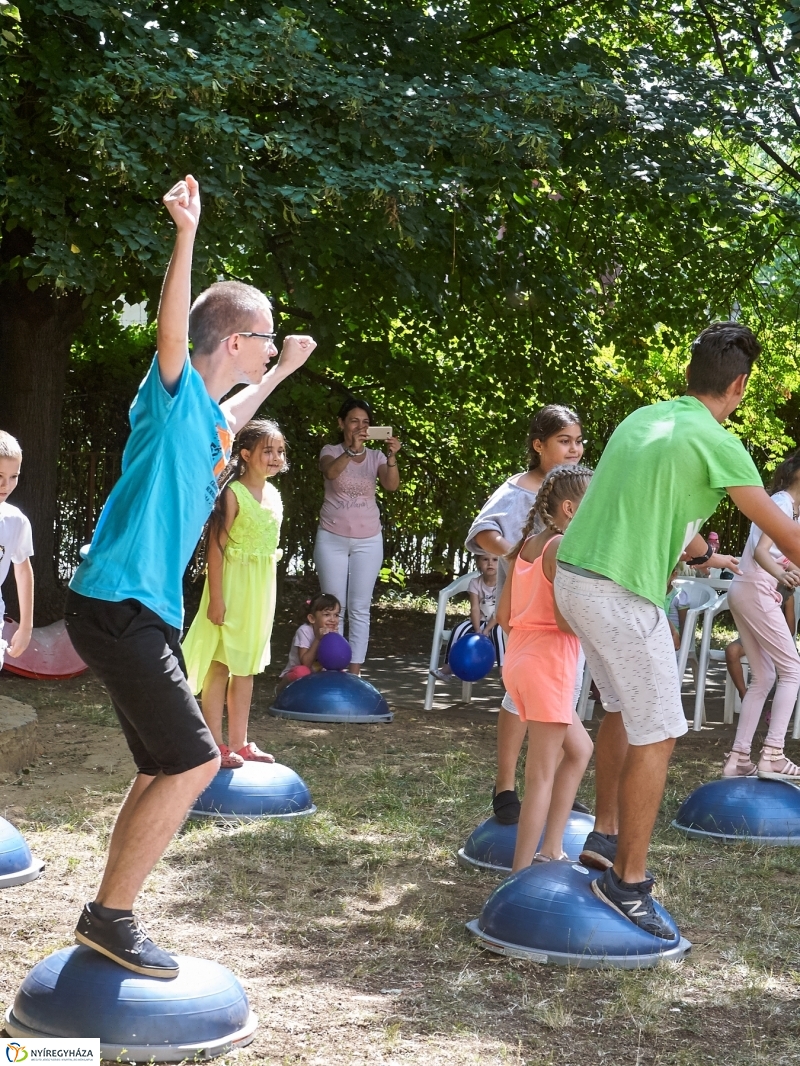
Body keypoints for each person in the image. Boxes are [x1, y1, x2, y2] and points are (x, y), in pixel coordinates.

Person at [64, 175, 316, 977]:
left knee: (162, 763)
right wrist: (185, 235)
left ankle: (105, 914)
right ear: (232, 339)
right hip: (119, 603)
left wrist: (280, 377)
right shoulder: (170, 395)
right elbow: (175, 336)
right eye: (266, 338)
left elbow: (234, 416)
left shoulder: (207, 419)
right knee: (197, 759)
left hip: (132, 610)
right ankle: (111, 916)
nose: (273, 344)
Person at [554, 321, 800, 939]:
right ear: (738, 385)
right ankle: (628, 882)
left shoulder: (646, 420)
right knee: (661, 731)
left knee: (622, 709)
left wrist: (691, 550)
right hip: (618, 594)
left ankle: (606, 838)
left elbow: (654, 507)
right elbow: (786, 533)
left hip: (576, 578)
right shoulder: (718, 442)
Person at [463, 405, 585, 824]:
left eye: (578, 441)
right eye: (564, 441)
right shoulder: (517, 489)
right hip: (528, 617)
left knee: (562, 697)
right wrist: (516, 555)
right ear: (539, 445)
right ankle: (506, 786)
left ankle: (550, 786)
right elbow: (482, 531)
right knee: (521, 699)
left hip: (564, 619)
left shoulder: (580, 490)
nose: (574, 449)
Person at [497, 466, 595, 872]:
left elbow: (503, 615)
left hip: (520, 662)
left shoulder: (526, 546)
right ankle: (519, 875)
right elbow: (563, 620)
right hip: (548, 667)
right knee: (539, 776)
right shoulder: (560, 548)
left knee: (580, 750)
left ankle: (552, 848)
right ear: (571, 509)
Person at [182, 419, 287, 769]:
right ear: (245, 454)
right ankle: (215, 743)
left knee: (247, 667)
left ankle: (240, 743)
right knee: (221, 665)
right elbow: (215, 548)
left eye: (279, 451)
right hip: (231, 588)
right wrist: (216, 598)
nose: (275, 457)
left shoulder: (273, 495)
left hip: (260, 590)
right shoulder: (232, 494)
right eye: (266, 451)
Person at [723, 452, 800, 780]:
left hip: (746, 589)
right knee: (792, 669)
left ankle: (739, 757)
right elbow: (761, 551)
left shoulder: (794, 513)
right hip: (755, 588)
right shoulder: (781, 503)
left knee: (765, 676)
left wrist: (789, 570)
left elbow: (784, 558)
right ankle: (772, 754)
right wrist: (781, 576)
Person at [313, 398, 401, 674]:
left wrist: (392, 456)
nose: (360, 427)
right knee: (331, 607)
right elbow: (330, 472)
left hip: (368, 539)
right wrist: (351, 451)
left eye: (366, 423)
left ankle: (354, 671)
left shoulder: (375, 457)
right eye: (354, 421)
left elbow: (391, 485)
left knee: (360, 607)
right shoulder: (330, 451)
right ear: (341, 424)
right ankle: (331, 666)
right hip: (332, 537)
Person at [431, 553, 504, 681]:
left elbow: (500, 611)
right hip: (480, 620)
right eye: (485, 559)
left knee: (497, 632)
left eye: (495, 559)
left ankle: (503, 671)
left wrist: (486, 630)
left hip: (499, 620)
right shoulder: (475, 583)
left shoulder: (504, 584)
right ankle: (448, 667)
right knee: (458, 629)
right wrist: (477, 630)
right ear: (478, 562)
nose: (490, 563)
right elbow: (475, 608)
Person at [0, 431, 33, 668]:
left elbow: (22, 570)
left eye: (14, 476)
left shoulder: (16, 521)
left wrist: (25, 626)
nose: (6, 485)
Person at [277, 593, 342, 689]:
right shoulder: (304, 631)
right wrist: (318, 639)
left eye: (336, 615)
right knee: (302, 672)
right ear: (312, 618)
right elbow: (306, 664)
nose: (333, 620)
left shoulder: (332, 632)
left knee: (340, 674)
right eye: (327, 614)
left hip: (319, 674)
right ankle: (280, 689)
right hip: (297, 674)